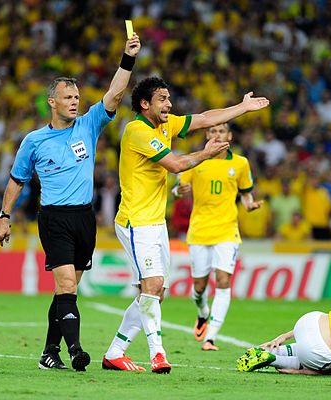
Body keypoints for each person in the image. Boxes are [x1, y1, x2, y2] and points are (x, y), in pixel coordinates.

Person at [102, 77, 269, 373]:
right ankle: (158, 354)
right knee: (151, 287)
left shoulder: (165, 126)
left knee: (154, 293)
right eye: (163, 99)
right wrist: (207, 154)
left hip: (155, 223)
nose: (169, 104)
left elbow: (205, 119)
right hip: (134, 222)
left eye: (169, 98)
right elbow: (177, 165)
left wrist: (242, 108)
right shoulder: (137, 131)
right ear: (145, 104)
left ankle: (116, 352)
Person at [0, 35, 142, 372]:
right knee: (65, 285)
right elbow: (17, 181)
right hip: (54, 219)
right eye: (68, 97)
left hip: (83, 219)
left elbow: (115, 93)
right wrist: (5, 215)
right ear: (52, 101)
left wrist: (127, 59)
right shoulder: (33, 141)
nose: (75, 102)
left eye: (77, 96)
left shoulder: (89, 125)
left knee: (68, 290)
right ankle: (75, 350)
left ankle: (49, 352)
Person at [175, 123, 262, 351]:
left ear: (229, 136)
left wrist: (249, 205)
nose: (217, 135)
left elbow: (245, 193)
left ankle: (210, 337)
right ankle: (202, 312)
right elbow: (178, 188)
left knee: (223, 281)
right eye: (213, 131)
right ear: (207, 135)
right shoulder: (196, 160)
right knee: (199, 287)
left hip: (227, 231)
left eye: (221, 131)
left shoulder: (240, 163)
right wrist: (177, 192)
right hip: (200, 230)